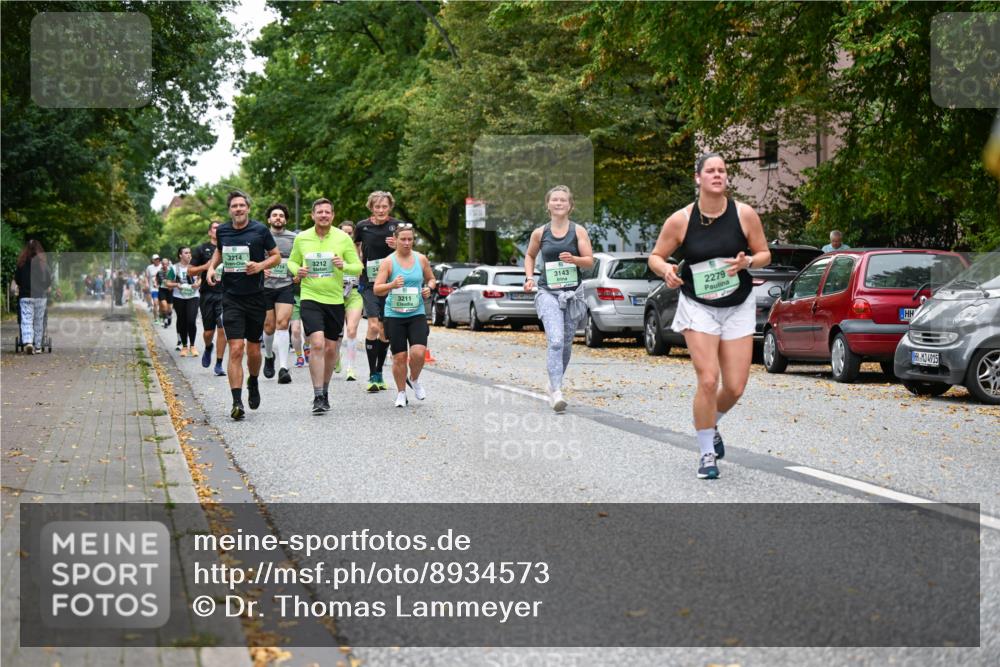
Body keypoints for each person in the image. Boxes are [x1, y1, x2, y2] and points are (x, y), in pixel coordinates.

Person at [648, 152, 771, 480]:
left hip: (737, 304)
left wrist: (748, 262)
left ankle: (710, 422)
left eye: (722, 171)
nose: (717, 175)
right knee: (707, 379)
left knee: (735, 387)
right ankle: (706, 453)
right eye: (711, 171)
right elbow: (656, 256)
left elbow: (764, 253)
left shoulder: (744, 214)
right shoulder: (681, 220)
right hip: (698, 304)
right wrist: (666, 270)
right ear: (698, 178)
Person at [205, 191, 282, 420]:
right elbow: (220, 251)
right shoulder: (223, 231)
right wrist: (211, 268)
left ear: (248, 208)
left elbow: (276, 256)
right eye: (234, 206)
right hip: (231, 297)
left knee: (253, 350)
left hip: (255, 297)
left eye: (241, 205)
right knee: (236, 348)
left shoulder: (260, 230)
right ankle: (237, 402)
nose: (238, 209)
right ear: (230, 210)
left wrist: (260, 266)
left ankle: (254, 380)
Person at [287, 198, 362, 414]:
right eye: (319, 212)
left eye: (327, 212)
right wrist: (298, 271)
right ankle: (318, 395)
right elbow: (292, 261)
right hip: (310, 297)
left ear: (333, 215)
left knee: (331, 349)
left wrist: (343, 265)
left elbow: (358, 267)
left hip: (335, 300)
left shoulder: (342, 238)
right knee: (317, 344)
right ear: (313, 215)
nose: (323, 215)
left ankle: (326, 390)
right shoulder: (302, 238)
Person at [523, 185, 594, 413]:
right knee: (555, 340)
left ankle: (553, 383)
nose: (559, 203)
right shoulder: (540, 233)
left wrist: (574, 259)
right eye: (555, 199)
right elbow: (530, 255)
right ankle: (556, 391)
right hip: (548, 292)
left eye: (563, 200)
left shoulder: (578, 231)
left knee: (565, 344)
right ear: (548, 204)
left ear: (570, 205)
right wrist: (529, 277)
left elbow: (589, 261)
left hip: (572, 295)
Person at [373, 224, 436, 407]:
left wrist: (428, 288)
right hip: (394, 315)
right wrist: (391, 285)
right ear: (396, 240)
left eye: (410, 239)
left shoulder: (421, 259)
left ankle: (414, 379)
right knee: (399, 357)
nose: (407, 243)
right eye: (403, 239)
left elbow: (431, 279)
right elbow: (377, 289)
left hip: (416, 313)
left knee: (419, 353)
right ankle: (401, 392)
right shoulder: (388, 262)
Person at [354, 191, 403, 392]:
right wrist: (358, 261)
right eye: (377, 207)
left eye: (384, 206)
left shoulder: (397, 226)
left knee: (385, 331)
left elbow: (407, 248)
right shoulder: (362, 226)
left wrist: (397, 245)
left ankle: (379, 371)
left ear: (390, 207)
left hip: (391, 283)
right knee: (373, 326)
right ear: (371, 208)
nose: (381, 210)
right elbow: (355, 244)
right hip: (370, 282)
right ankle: (372, 373)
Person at [261, 203, 298, 384]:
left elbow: (299, 259)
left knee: (282, 324)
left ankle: (283, 368)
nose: (278, 218)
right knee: (268, 327)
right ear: (269, 219)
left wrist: (297, 273)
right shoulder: (261, 236)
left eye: (281, 215)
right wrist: (261, 269)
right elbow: (252, 259)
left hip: (285, 285)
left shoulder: (294, 238)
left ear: (285, 220)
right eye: (274, 215)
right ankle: (269, 356)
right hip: (265, 287)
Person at [188, 220, 229, 375]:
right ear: (210, 232)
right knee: (208, 332)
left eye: (220, 228)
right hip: (207, 294)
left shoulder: (229, 247)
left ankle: (219, 363)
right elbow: (190, 271)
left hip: (225, 293)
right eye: (215, 228)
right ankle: (208, 346)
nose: (218, 230)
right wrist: (206, 267)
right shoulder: (201, 249)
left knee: (222, 328)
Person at [335, 221, 363, 381]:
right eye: (343, 232)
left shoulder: (359, 249)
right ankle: (336, 356)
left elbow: (364, 268)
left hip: (354, 292)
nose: (346, 235)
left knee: (351, 330)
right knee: (337, 333)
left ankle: (351, 368)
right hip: (336, 292)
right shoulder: (333, 247)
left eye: (349, 233)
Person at [15, 239, 52, 354]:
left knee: (26, 320)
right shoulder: (43, 264)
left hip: (25, 296)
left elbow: (17, 279)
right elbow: (48, 281)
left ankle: (28, 342)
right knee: (38, 321)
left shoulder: (21, 263)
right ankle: (38, 346)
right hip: (40, 296)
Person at [165, 246, 201, 357]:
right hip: (179, 297)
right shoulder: (174, 268)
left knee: (191, 320)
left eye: (190, 252)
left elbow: (201, 278)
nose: (189, 254)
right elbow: (167, 283)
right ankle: (184, 346)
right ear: (180, 255)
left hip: (193, 296)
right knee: (182, 321)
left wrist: (197, 284)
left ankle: (193, 346)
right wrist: (177, 284)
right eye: (186, 253)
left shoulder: (195, 267)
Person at [157, 258, 173, 329]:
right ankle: (165, 320)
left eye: (166, 264)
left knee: (170, 309)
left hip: (170, 291)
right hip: (162, 290)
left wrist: (172, 285)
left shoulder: (172, 271)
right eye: (163, 264)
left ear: (168, 264)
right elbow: (159, 280)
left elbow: (175, 280)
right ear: (161, 264)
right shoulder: (159, 272)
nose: (164, 265)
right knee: (164, 306)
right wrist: (156, 284)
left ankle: (169, 315)